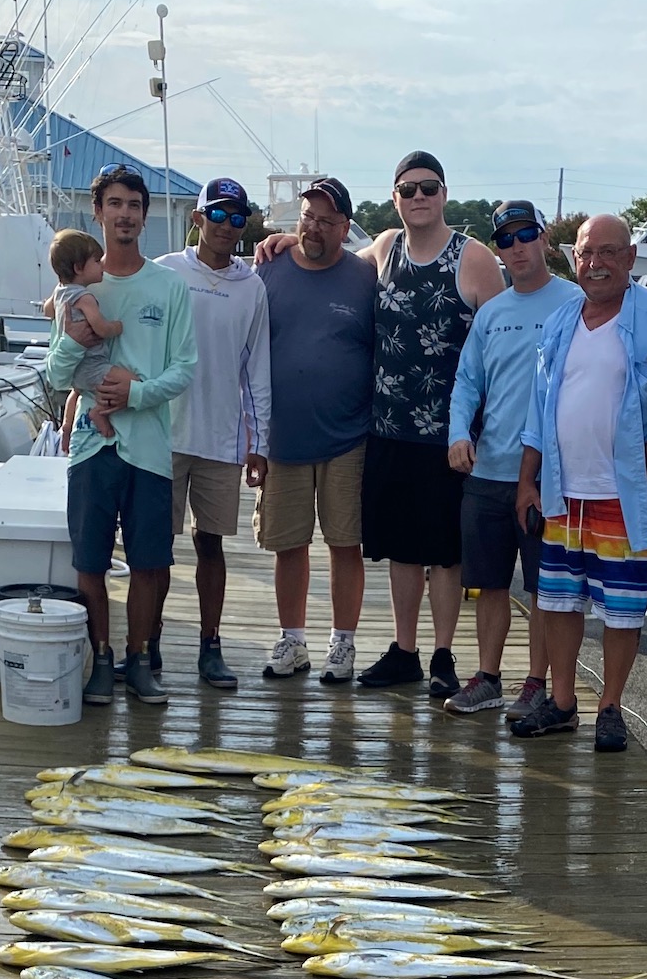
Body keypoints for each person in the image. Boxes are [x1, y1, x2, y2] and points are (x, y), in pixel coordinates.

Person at [513, 213, 647, 751]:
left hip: (622, 496)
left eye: (608, 252)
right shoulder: (562, 319)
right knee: (558, 602)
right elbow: (539, 408)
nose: (596, 263)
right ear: (574, 260)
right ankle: (562, 703)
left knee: (622, 610)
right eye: (586, 253)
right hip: (562, 491)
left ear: (630, 258)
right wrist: (527, 479)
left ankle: (611, 707)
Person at [355, 152, 502, 697]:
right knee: (402, 548)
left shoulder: (474, 258)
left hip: (449, 435)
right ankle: (405, 650)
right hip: (389, 428)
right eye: (408, 189)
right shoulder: (385, 247)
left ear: (444, 194)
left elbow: (499, 349)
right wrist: (282, 242)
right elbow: (332, 261)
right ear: (395, 197)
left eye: (429, 187)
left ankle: (442, 654)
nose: (419, 197)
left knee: (444, 551)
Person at [62, 165, 197, 706]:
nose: (125, 214)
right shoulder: (75, 287)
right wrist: (73, 343)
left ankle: (139, 660)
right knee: (89, 563)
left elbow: (185, 368)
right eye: (114, 203)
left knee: (149, 563)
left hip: (148, 449)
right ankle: (101, 659)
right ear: (97, 212)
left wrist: (134, 394)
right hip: (90, 447)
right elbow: (54, 373)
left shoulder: (169, 286)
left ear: (144, 215)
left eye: (134, 205)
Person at [443, 199, 565, 718]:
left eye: (526, 235)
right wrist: (457, 434)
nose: (517, 247)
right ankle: (488, 678)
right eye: (506, 240)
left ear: (544, 239)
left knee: (544, 590)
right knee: (489, 584)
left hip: (548, 478)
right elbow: (467, 383)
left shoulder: (575, 303)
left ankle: (536, 684)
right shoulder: (491, 313)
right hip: (488, 473)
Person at [252, 176, 376, 686]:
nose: (315, 228)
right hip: (282, 437)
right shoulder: (266, 269)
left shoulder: (365, 277)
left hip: (349, 436)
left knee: (345, 544)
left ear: (345, 228)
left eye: (327, 221)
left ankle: (342, 643)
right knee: (289, 545)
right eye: (308, 217)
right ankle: (292, 639)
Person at [158, 176, 271, 690]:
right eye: (218, 215)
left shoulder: (253, 287)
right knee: (155, 548)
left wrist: (259, 445)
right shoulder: (164, 271)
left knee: (211, 545)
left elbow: (257, 370)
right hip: (160, 435)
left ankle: (210, 645)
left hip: (222, 440)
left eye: (237, 217)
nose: (227, 225)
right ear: (198, 218)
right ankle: (148, 643)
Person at [45, 230, 125, 443]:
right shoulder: (84, 297)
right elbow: (101, 328)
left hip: (77, 369)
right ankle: (98, 412)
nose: (102, 266)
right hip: (92, 364)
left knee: (77, 392)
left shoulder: (60, 292)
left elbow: (47, 310)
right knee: (129, 382)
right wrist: (117, 327)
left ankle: (67, 424)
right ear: (78, 268)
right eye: (97, 261)